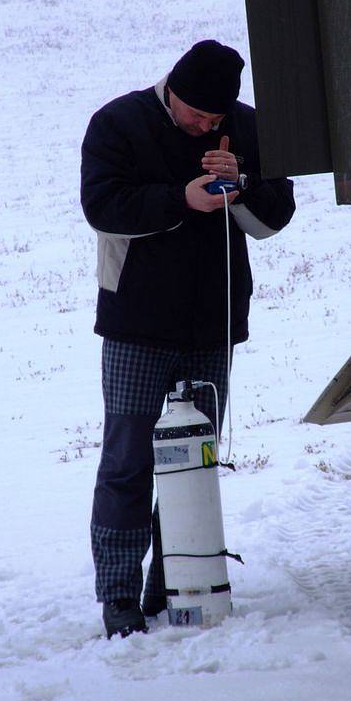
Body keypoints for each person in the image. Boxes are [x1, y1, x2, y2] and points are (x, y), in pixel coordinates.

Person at [80, 40, 295, 639]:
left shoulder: (246, 127)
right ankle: (119, 593)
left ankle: (169, 582)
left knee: (189, 462)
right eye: (197, 116)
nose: (207, 127)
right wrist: (182, 198)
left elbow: (275, 218)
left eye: (216, 120)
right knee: (127, 461)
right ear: (170, 89)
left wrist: (242, 185)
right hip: (136, 324)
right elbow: (102, 206)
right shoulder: (118, 123)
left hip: (213, 321)